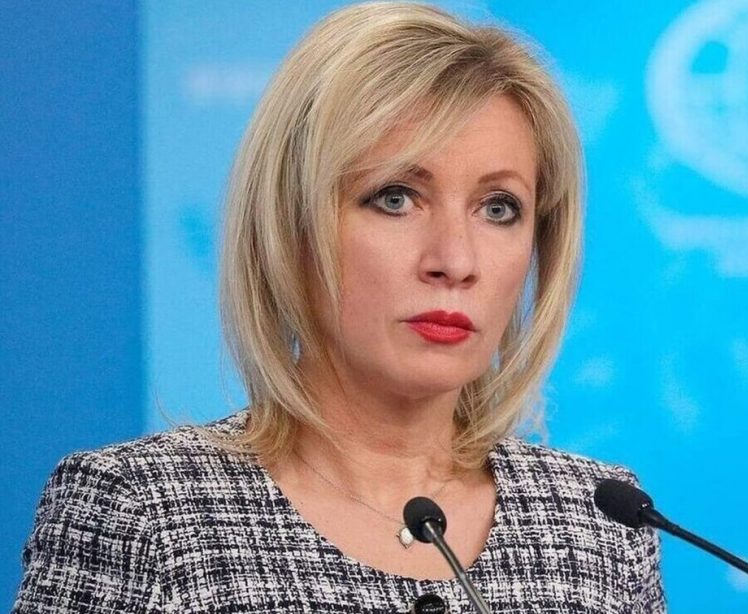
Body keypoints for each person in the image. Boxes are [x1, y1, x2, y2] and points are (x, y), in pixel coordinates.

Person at [14, 3, 665, 611]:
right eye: (395, 198)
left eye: (498, 209)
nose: (455, 260)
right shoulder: (143, 512)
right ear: (290, 224)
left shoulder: (600, 525)